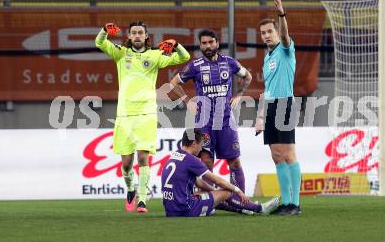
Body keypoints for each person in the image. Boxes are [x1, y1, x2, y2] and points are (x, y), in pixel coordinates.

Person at [95, 21, 190, 213]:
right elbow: (100, 43)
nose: (137, 35)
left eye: (140, 33)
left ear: (146, 36)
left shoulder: (155, 55)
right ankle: (130, 188)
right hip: (124, 115)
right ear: (129, 36)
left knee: (143, 157)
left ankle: (143, 199)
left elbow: (184, 57)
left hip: (146, 113)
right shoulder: (121, 53)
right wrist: (105, 31)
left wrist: (176, 44)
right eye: (134, 33)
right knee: (126, 164)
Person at [169, 29, 252, 194]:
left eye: (211, 42)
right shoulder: (195, 66)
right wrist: (187, 101)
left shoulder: (230, 62)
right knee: (206, 162)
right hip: (204, 121)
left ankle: (241, 201)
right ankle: (210, 201)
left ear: (217, 43)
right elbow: (173, 82)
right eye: (204, 43)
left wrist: (239, 94)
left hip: (226, 120)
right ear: (200, 45)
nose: (208, 46)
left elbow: (248, 76)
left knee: (234, 162)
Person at [161, 128, 279, 217]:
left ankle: (243, 209)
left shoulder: (175, 155)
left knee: (210, 194)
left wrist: (214, 192)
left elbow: (199, 183)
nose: (201, 149)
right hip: (186, 210)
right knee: (227, 192)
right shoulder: (191, 159)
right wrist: (237, 191)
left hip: (171, 210)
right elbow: (216, 180)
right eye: (201, 145)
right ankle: (260, 208)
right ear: (193, 144)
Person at [255, 0, 302, 215]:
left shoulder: (285, 49)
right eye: (263, 33)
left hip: (285, 104)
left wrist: (281, 12)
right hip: (272, 106)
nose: (266, 36)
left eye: (269, 32)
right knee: (276, 154)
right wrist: (260, 117)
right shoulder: (267, 58)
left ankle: (295, 203)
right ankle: (285, 202)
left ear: (276, 32)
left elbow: (285, 34)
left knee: (288, 153)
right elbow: (267, 90)